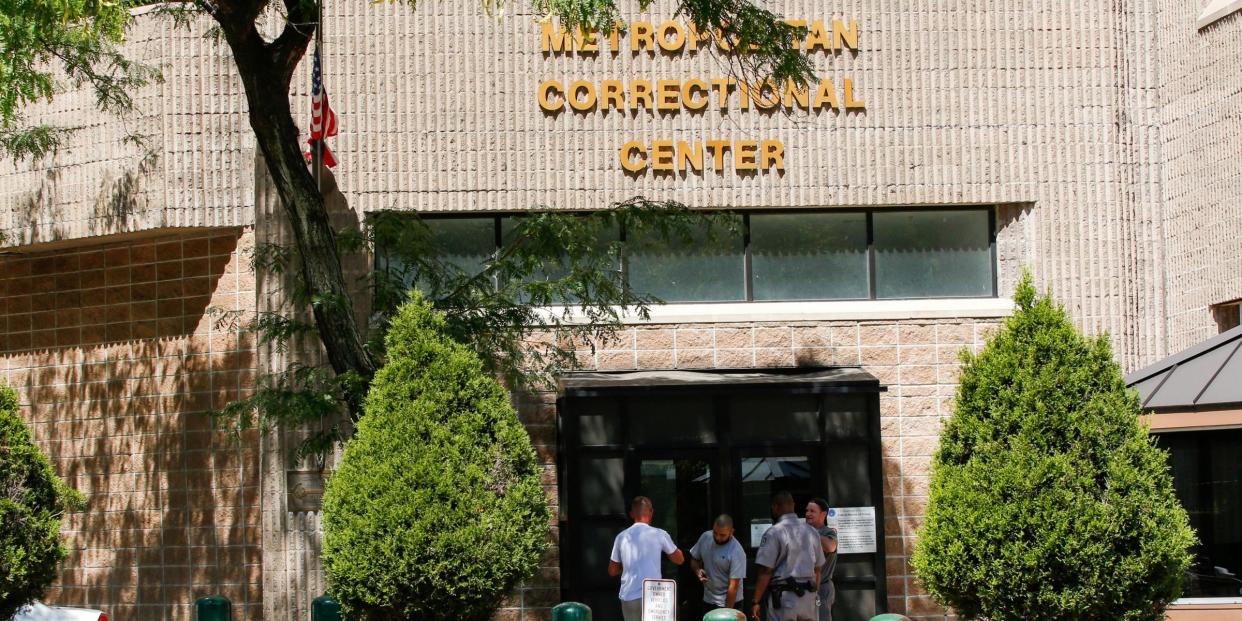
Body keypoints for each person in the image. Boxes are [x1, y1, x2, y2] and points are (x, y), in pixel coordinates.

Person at [750, 491, 824, 621]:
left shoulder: (773, 533)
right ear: (793, 505)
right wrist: (814, 593)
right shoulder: (812, 531)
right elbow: (818, 569)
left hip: (785, 599)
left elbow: (766, 571)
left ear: (775, 507)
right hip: (809, 598)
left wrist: (756, 601)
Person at [609, 496, 685, 621]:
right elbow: (679, 559)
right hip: (654, 597)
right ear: (651, 512)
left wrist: (628, 565)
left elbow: (612, 570)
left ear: (632, 514)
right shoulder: (660, 534)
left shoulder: (621, 537)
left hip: (629, 596)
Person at [689, 514, 748, 619]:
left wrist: (727, 613)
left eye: (722, 535)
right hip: (708, 599)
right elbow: (694, 559)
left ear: (731, 532)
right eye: (715, 533)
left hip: (731, 603)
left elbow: (733, 587)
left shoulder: (737, 551)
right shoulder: (705, 537)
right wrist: (698, 570)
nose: (717, 537)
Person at [804, 498, 839, 621]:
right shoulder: (802, 531)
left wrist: (812, 533)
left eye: (812, 511)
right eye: (807, 510)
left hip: (821, 588)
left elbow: (830, 546)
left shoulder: (828, 532)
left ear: (823, 514)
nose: (808, 514)